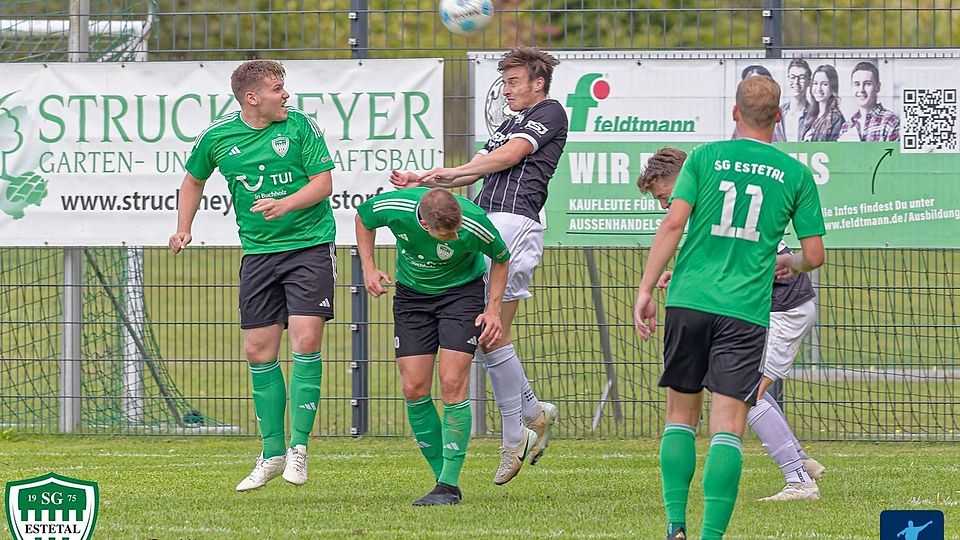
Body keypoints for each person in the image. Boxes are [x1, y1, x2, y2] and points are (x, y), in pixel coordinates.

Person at [633, 75, 826, 540]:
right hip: (745, 310)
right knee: (728, 426)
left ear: (734, 113)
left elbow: (674, 224)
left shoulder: (703, 157)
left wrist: (644, 290)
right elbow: (815, 256)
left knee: (679, 417)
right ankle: (711, 536)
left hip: (688, 301)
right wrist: (790, 262)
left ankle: (675, 527)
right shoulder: (797, 175)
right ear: (779, 119)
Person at [390, 46, 564, 485]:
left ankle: (520, 427)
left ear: (537, 83)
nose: (506, 89)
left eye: (513, 81)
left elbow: (506, 159)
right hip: (488, 217)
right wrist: (427, 179)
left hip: (514, 220)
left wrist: (450, 171)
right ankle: (527, 419)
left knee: (483, 324)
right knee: (489, 332)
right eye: (504, 81)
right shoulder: (507, 123)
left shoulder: (551, 111)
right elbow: (475, 172)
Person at [168, 60, 336, 491]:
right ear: (252, 97)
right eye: (279, 89)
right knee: (257, 351)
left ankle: (299, 449)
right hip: (259, 254)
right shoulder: (218, 136)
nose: (287, 95)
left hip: (308, 246)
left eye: (285, 87)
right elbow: (192, 180)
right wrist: (184, 226)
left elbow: (323, 184)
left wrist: (286, 203)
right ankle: (272, 452)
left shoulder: (301, 127)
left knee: (306, 340)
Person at [355, 187, 512, 505]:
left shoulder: (474, 222)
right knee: (414, 387)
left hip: (461, 295)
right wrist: (368, 267)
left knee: (452, 382)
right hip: (412, 297)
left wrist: (493, 310)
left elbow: (501, 258)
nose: (455, 238)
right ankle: (443, 479)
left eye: (456, 231)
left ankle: (448, 486)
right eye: (446, 234)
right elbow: (363, 218)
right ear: (424, 225)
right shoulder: (395, 207)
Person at [839, 61, 900, 141]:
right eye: (857, 84)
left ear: (878, 87)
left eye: (867, 84)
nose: (861, 90)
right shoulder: (847, 126)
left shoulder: (890, 122)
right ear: (852, 87)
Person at [732, 65, 786, 142]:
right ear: (778, 114)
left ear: (735, 112)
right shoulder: (783, 153)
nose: (757, 89)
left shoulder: (711, 152)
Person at [801, 64, 845, 141]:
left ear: (833, 88)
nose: (818, 89)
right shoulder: (809, 116)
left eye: (824, 84)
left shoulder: (836, 119)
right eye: (815, 83)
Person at [779, 59, 813, 141]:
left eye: (801, 77)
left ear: (809, 82)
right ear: (788, 79)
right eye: (793, 77)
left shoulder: (814, 115)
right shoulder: (778, 113)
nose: (796, 82)